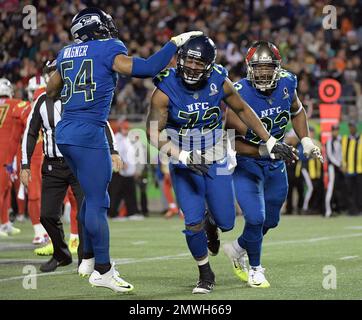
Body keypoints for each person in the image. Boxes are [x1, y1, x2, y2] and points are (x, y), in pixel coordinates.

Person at [46, 7, 203, 292]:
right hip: (89, 131)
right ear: (96, 27)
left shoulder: (66, 53)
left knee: (88, 198)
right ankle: (103, 270)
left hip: (65, 131)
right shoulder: (109, 48)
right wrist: (173, 43)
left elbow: (51, 90)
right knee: (97, 200)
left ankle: (90, 259)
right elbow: (148, 68)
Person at [147, 35, 294, 294]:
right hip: (184, 158)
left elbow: (243, 109)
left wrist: (269, 141)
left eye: (199, 62)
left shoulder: (218, 79)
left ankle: (211, 224)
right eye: (188, 61)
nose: (192, 67)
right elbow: (152, 132)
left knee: (227, 221)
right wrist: (181, 156)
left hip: (215, 154)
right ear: (179, 60)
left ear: (209, 65)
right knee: (191, 222)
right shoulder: (165, 89)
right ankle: (205, 273)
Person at [222, 41, 323, 288]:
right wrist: (262, 148)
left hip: (276, 163)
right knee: (255, 218)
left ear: (278, 68)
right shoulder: (238, 92)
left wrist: (306, 140)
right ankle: (255, 268)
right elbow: (228, 141)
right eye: (259, 68)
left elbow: (297, 111)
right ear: (249, 68)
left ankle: (238, 247)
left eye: (269, 68)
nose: (264, 73)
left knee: (271, 220)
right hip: (247, 163)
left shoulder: (288, 82)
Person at [0, 78, 27, 237]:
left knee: (7, 187)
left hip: (6, 155)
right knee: (3, 188)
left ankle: (5, 223)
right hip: (6, 154)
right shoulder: (15, 103)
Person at [341, 120, 362, 215]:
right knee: (349, 191)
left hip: (359, 169)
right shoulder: (345, 139)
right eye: (350, 127)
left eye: (353, 126)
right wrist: (342, 165)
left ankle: (359, 209)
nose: (351, 128)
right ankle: (351, 210)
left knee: (359, 191)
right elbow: (341, 153)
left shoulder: (360, 138)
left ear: (356, 127)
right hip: (348, 169)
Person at [325, 124, 345, 217]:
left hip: (339, 167)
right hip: (332, 167)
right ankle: (328, 211)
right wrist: (338, 164)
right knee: (330, 187)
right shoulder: (329, 142)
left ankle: (337, 208)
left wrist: (342, 164)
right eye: (334, 130)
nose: (336, 132)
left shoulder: (340, 140)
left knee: (338, 188)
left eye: (337, 130)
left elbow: (341, 153)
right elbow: (330, 156)